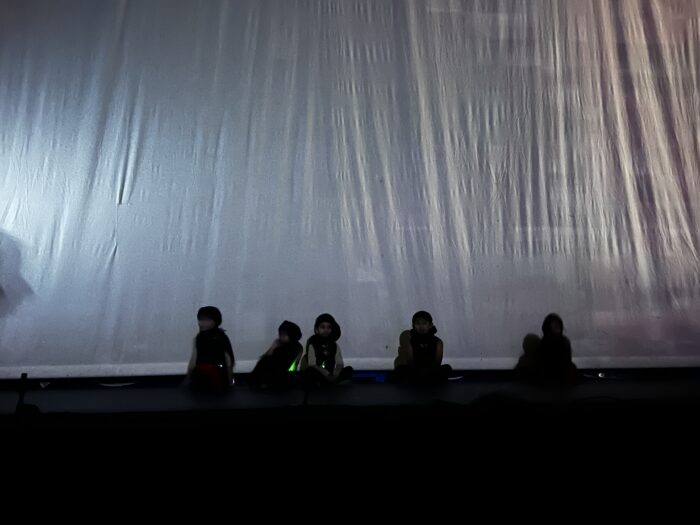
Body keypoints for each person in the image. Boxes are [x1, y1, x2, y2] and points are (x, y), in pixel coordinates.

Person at [515, 313, 578, 385]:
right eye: (553, 328)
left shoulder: (563, 343)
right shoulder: (543, 346)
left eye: (557, 327)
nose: (555, 331)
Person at [393, 311, 452, 385]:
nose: (421, 326)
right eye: (418, 323)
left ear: (430, 325)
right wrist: (419, 371)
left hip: (431, 371)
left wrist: (427, 370)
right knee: (400, 369)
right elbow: (410, 362)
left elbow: (437, 363)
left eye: (424, 323)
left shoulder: (438, 342)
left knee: (447, 368)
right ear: (413, 325)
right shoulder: (411, 342)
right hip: (416, 372)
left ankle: (424, 381)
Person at [187, 306, 234, 392]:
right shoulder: (200, 338)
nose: (201, 323)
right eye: (200, 320)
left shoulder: (219, 337)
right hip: (210, 379)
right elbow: (229, 362)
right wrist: (229, 381)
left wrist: (188, 378)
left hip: (211, 378)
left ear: (215, 321)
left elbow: (228, 361)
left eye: (206, 320)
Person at [300, 313, 353, 387]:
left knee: (349, 370)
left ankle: (331, 381)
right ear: (317, 329)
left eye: (329, 327)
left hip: (330, 373)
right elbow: (312, 364)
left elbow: (339, 363)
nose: (326, 330)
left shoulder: (334, 345)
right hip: (318, 372)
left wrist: (335, 374)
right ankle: (327, 383)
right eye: (323, 327)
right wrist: (327, 374)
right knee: (310, 372)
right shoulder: (312, 342)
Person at [250, 320, 303, 388]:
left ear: (291, 335)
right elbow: (265, 357)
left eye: (284, 335)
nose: (281, 337)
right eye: (280, 334)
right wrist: (273, 347)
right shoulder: (278, 343)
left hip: (282, 375)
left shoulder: (297, 347)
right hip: (269, 372)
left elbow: (294, 365)